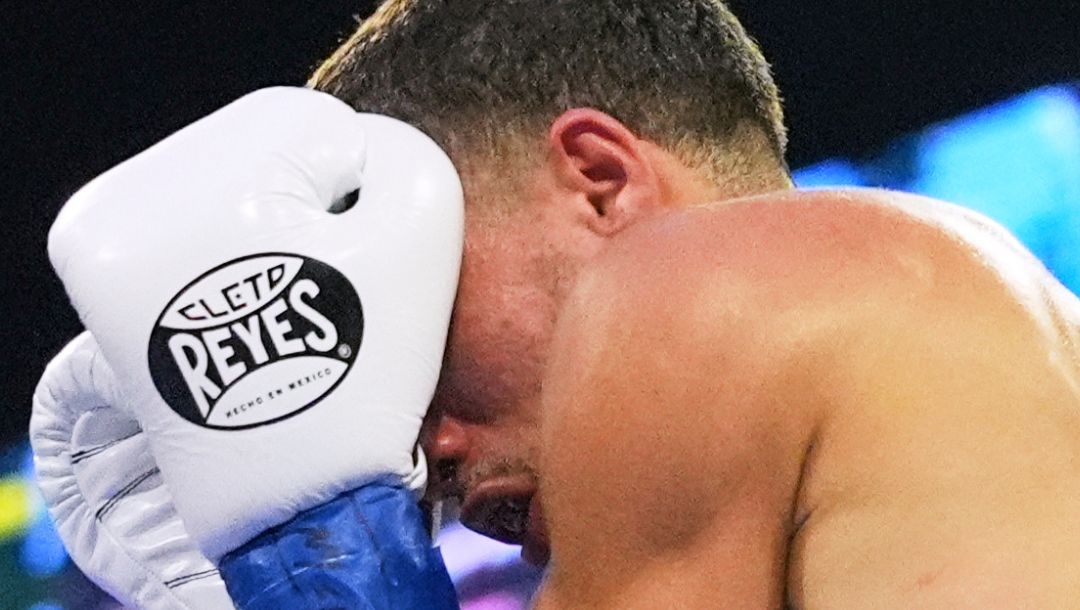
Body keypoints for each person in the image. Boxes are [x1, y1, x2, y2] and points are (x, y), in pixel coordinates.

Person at [32, 1, 1080, 609]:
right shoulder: (947, 318)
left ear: (601, 180)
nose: (418, 446)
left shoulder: (682, 284)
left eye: (419, 323)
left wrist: (305, 555)